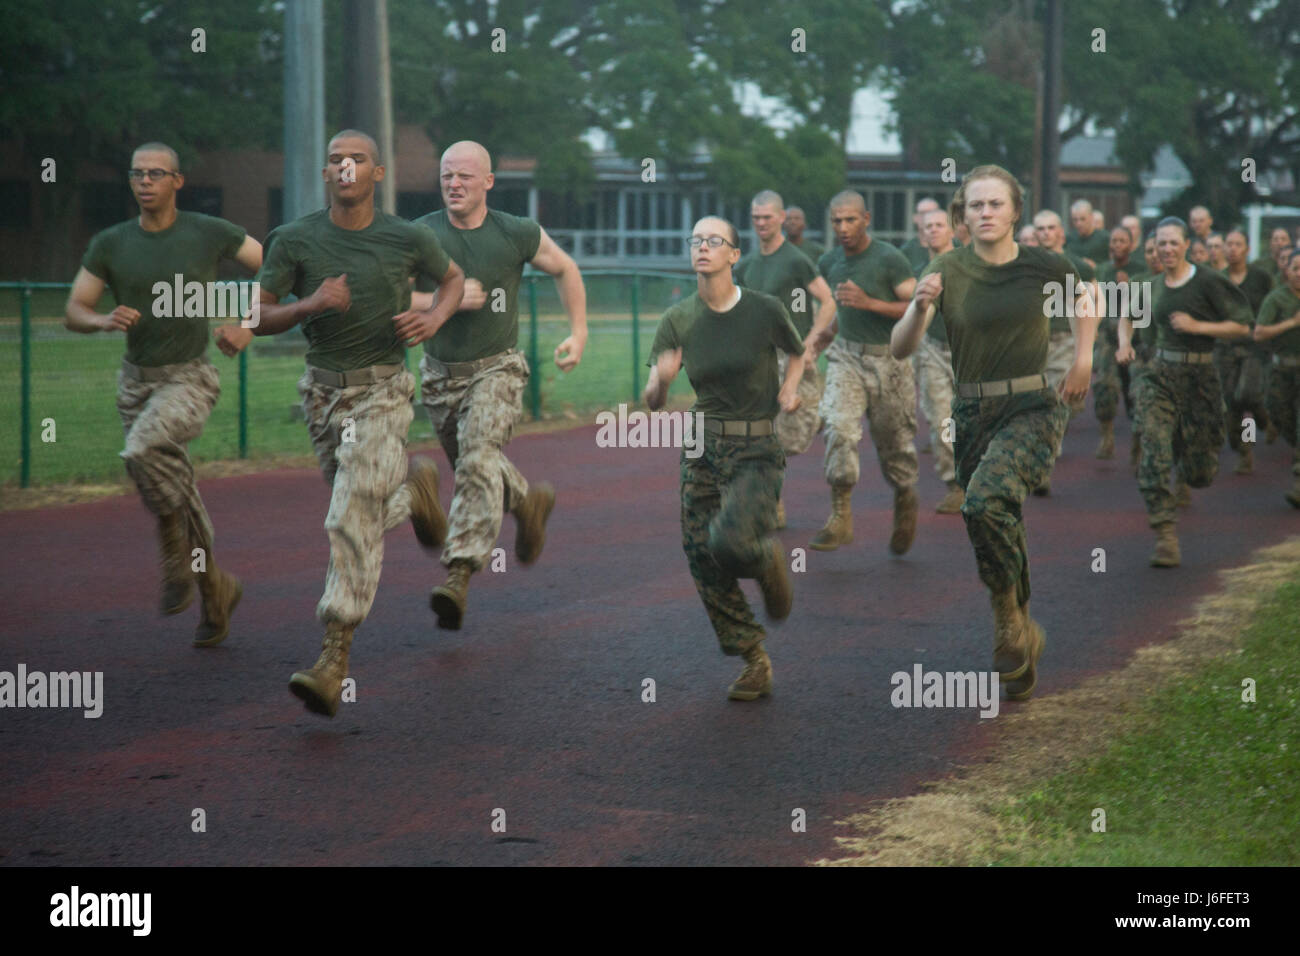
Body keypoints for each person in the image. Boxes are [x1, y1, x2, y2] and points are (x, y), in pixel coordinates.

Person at [251, 130, 466, 717]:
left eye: (358, 160)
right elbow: (258, 315)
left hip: (382, 393)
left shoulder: (407, 237)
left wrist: (434, 320)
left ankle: (333, 655)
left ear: (378, 173)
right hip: (322, 398)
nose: (345, 168)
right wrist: (310, 305)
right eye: (335, 161)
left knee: (348, 513)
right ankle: (417, 495)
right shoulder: (293, 239)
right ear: (325, 174)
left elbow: (453, 280)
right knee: (363, 507)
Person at [891, 164, 1096, 702]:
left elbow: (1087, 300)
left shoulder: (1045, 265)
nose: (985, 213)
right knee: (995, 513)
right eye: (975, 206)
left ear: (1014, 212)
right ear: (963, 214)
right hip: (972, 411)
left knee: (984, 502)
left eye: (995, 205)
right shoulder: (945, 268)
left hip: (1032, 403)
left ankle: (1006, 617)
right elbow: (900, 347)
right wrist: (918, 306)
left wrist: (1083, 359)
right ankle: (1023, 627)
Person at [64, 141, 262, 648]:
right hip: (135, 382)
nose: (145, 181)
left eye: (157, 173)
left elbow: (274, 268)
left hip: (189, 377)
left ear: (178, 181)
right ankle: (215, 589)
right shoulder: (110, 242)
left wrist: (246, 323)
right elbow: (75, 309)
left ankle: (173, 548)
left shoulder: (208, 231)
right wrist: (103, 319)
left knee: (143, 450)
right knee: (175, 481)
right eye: (137, 174)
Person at [412, 140, 588, 629]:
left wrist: (578, 332)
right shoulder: (420, 234)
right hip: (440, 377)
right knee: (480, 465)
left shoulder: (515, 232)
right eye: (447, 176)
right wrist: (444, 298)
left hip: (498, 370)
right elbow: (390, 294)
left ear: (488, 182)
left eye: (465, 176)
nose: (454, 184)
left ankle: (459, 572)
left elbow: (565, 267)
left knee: (475, 457)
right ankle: (528, 503)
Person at [644, 216, 805, 701]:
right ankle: (753, 657)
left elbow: (796, 354)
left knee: (731, 543)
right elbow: (651, 400)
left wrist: (791, 387)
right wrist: (663, 380)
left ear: (734, 254)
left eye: (714, 241)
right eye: (696, 241)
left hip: (755, 445)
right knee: (701, 552)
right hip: (700, 443)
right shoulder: (678, 319)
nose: (703, 248)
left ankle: (765, 558)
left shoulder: (764, 310)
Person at [1116, 217, 1252, 567]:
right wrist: (1124, 344)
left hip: (1201, 375)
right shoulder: (1152, 284)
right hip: (1159, 373)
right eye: (1161, 243)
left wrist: (1198, 326)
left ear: (1187, 244)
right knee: (1153, 447)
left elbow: (1242, 326)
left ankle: (1186, 467)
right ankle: (1165, 534)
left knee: (1201, 472)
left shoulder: (1208, 281)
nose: (1166, 249)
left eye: (1173, 242)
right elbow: (1128, 317)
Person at [808, 190, 919, 554]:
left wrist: (870, 303)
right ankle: (840, 514)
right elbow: (838, 310)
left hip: (890, 361)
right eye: (836, 221)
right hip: (846, 359)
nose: (842, 227)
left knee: (896, 446)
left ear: (866, 219)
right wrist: (821, 339)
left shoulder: (889, 258)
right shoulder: (828, 262)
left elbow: (916, 307)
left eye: (850, 219)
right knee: (838, 427)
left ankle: (905, 497)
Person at [734, 191, 836, 526]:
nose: (761, 223)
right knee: (758, 433)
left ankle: (813, 412)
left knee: (790, 435)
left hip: (789, 356)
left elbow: (828, 302)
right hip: (754, 359)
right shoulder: (746, 265)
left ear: (781, 218)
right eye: (756, 217)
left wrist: (810, 343)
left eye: (767, 217)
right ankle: (770, 502)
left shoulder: (796, 260)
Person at [1032, 208, 1096, 493]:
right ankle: (1040, 452)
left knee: (1054, 403)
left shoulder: (1079, 266)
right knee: (1031, 406)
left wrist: (1086, 352)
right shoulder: (1025, 264)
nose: (1045, 233)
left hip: (1062, 341)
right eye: (1040, 229)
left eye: (1050, 228)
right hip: (1031, 345)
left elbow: (1093, 306)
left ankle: (1044, 465)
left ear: (1061, 232)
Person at [912, 207, 964, 513]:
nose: (933, 230)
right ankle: (953, 483)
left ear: (951, 231)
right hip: (931, 348)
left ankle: (977, 479)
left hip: (966, 351)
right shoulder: (919, 268)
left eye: (939, 225)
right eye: (927, 226)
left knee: (970, 419)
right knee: (940, 418)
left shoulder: (966, 264)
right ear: (921, 235)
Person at [1219, 229, 1277, 471]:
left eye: (1238, 244)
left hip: (1254, 347)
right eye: (1229, 244)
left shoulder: (1261, 277)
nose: (1232, 248)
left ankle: (1266, 419)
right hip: (1225, 347)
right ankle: (1245, 448)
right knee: (1233, 405)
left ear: (1247, 249)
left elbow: (1273, 305)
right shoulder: (1217, 278)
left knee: (1248, 395)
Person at [1253, 251, 1300, 506]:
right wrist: (1291, 323)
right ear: (1287, 271)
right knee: (1282, 419)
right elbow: (1259, 333)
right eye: (1295, 268)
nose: (1299, 273)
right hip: (1281, 371)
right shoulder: (1277, 298)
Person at [1092, 226, 1143, 458]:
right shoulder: (1102, 270)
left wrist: (1129, 288)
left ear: (1131, 245)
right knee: (1105, 385)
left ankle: (1138, 440)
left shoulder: (1140, 270)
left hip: (1135, 338)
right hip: (1107, 337)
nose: (1117, 245)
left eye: (1122, 240)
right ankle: (1107, 435)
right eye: (1113, 240)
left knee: (1135, 390)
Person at [899, 197, 941, 271]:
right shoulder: (905, 252)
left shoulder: (955, 246)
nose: (927, 216)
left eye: (932, 213)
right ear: (915, 218)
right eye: (923, 213)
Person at [1066, 199, 1109, 268]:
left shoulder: (1105, 238)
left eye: (1083, 219)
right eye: (1075, 220)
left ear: (1091, 217)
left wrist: (1097, 267)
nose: (1079, 223)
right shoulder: (1068, 239)